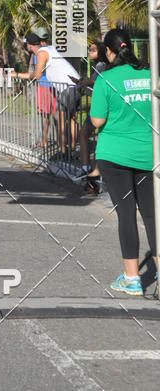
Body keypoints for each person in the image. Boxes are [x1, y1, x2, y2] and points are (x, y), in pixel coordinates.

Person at [90, 28, 157, 296]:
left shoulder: (105, 79)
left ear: (109, 51)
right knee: (153, 216)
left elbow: (97, 121)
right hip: (148, 154)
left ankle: (131, 278)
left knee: (126, 215)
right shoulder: (151, 74)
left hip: (115, 156)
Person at [14, 31, 79, 154]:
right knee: (72, 118)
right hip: (76, 84)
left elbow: (37, 76)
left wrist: (17, 75)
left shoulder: (41, 53)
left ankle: (63, 152)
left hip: (68, 88)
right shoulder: (49, 49)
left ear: (29, 45)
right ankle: (72, 150)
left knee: (60, 119)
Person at [76, 40, 108, 193]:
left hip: (100, 108)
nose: (89, 52)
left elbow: (98, 85)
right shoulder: (98, 65)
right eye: (89, 49)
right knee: (88, 134)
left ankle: (91, 172)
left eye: (93, 50)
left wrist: (88, 83)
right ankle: (88, 169)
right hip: (97, 106)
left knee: (95, 137)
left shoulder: (102, 65)